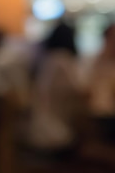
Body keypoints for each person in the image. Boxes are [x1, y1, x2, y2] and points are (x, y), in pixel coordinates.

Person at [26, 21, 88, 153]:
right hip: (55, 132)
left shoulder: (47, 60)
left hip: (38, 127)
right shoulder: (62, 60)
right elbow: (80, 91)